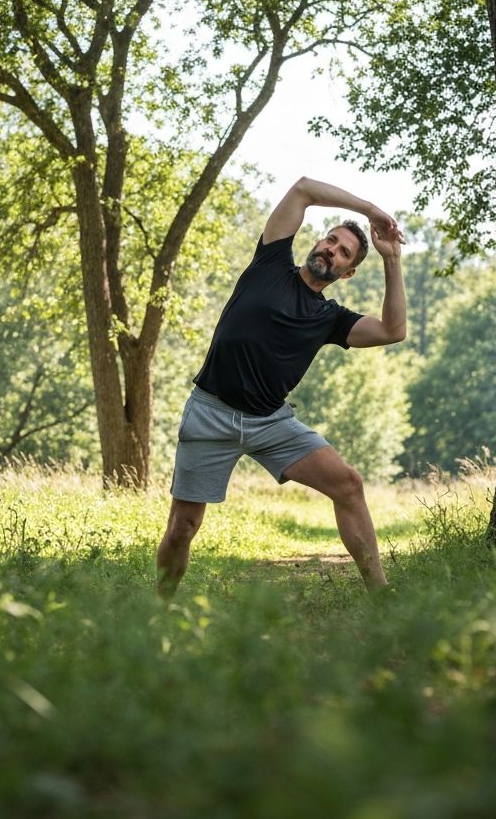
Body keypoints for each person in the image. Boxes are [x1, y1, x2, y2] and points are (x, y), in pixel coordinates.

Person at [157, 175, 407, 597]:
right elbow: (304, 189)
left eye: (343, 252)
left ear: (348, 273)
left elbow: (392, 329)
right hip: (210, 411)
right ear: (316, 242)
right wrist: (369, 210)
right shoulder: (269, 263)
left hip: (271, 423)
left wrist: (391, 258)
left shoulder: (331, 319)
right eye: (330, 240)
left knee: (348, 483)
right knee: (183, 526)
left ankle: (382, 598)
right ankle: (159, 611)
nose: (331, 249)